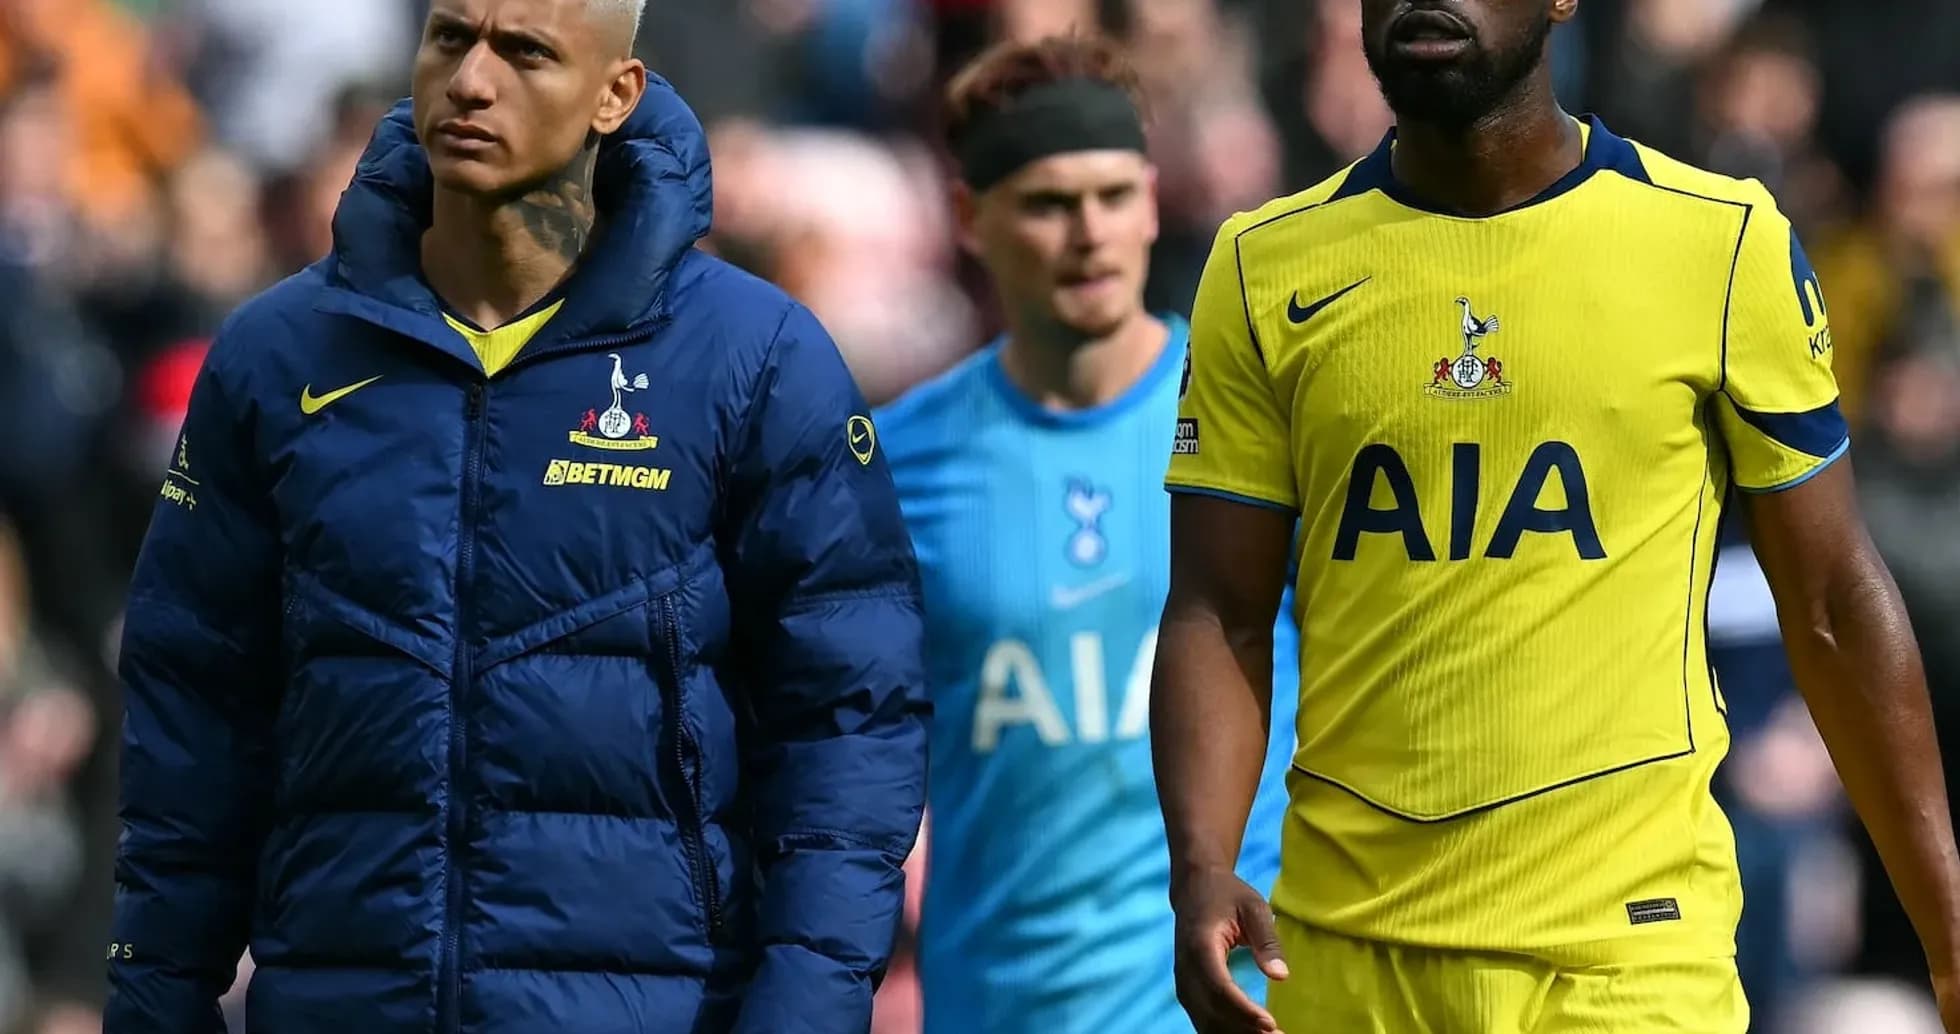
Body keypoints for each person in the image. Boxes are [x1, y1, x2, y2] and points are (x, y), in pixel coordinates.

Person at [104, 2, 930, 1032]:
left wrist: (805, 1007)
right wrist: (155, 995)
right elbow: (191, 719)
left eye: (525, 51)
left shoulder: (754, 359)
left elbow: (846, 720)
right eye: (450, 37)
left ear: (614, 95)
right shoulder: (276, 358)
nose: (471, 81)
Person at [1151, 1, 1960, 1032]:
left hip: (1624, 958)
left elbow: (1834, 601)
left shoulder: (1718, 241)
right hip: (1344, 958)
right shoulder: (1263, 266)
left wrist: (1946, 928)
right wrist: (1200, 866)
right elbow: (1217, 607)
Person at [872, 35, 1298, 1034]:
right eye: (1048, 203)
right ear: (970, 217)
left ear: (1153, 200)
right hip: (993, 1005)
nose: (1089, 233)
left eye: (1113, 195)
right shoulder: (896, 460)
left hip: (1236, 1006)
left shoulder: (1257, 426)